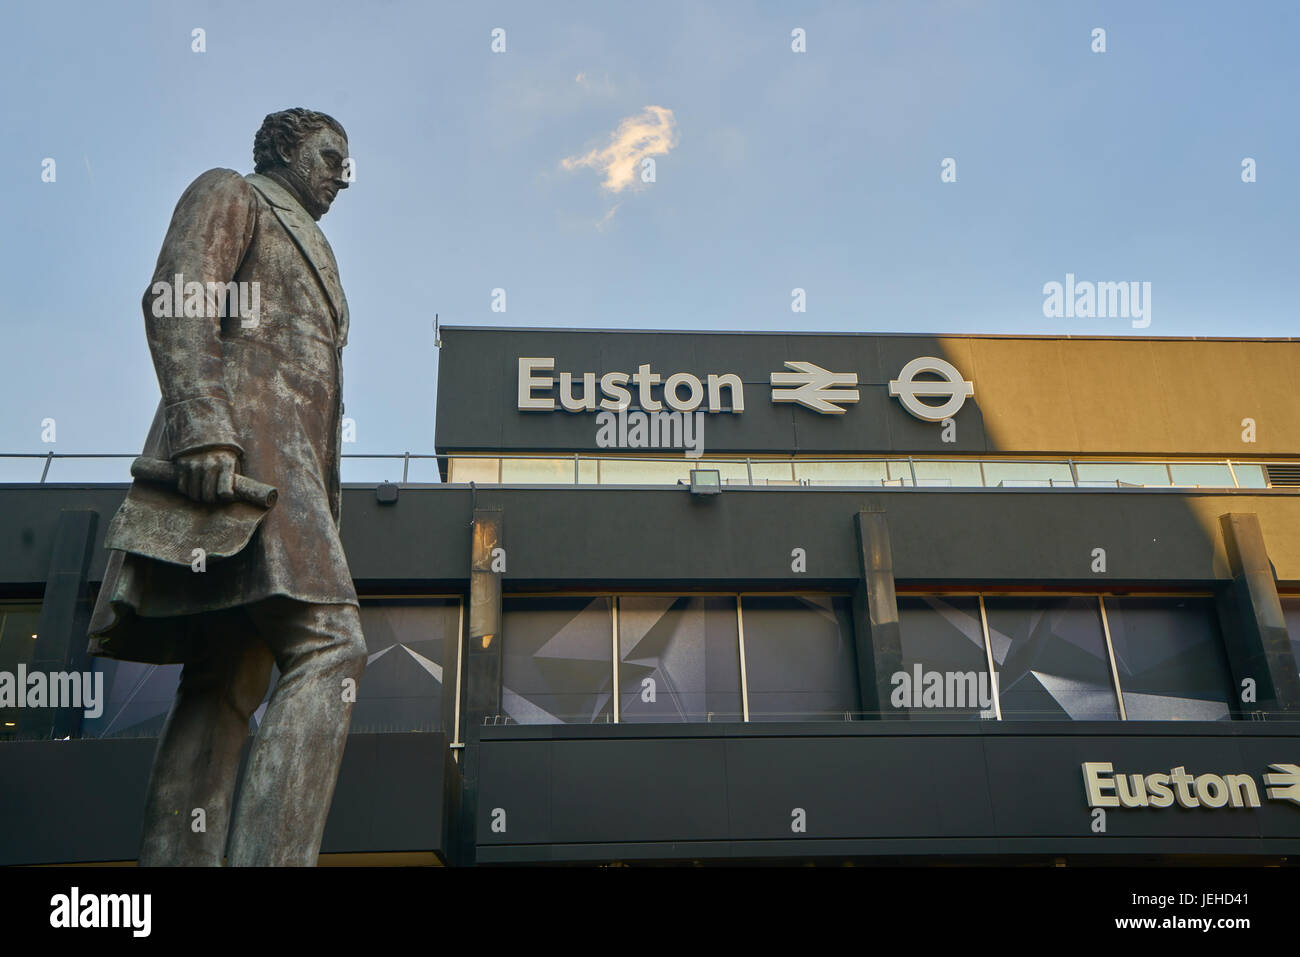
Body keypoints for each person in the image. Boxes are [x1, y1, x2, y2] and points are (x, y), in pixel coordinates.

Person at [88, 108, 366, 866]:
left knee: (225, 678)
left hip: (291, 476)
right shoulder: (231, 193)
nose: (343, 172)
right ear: (284, 149)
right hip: (246, 456)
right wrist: (202, 424)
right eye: (329, 154)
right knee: (333, 643)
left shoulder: (319, 248)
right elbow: (178, 296)